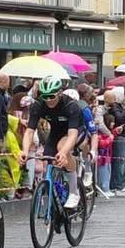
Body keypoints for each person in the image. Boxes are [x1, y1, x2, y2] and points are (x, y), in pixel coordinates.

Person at [19, 76, 85, 210]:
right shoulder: (38, 105)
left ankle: (73, 191)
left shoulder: (70, 105)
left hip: (75, 130)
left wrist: (64, 152)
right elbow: (30, 131)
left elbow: (72, 135)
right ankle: (56, 194)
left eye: (51, 96)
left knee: (62, 148)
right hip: (56, 131)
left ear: (60, 92)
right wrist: (25, 150)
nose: (48, 100)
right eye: (45, 96)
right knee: (47, 157)